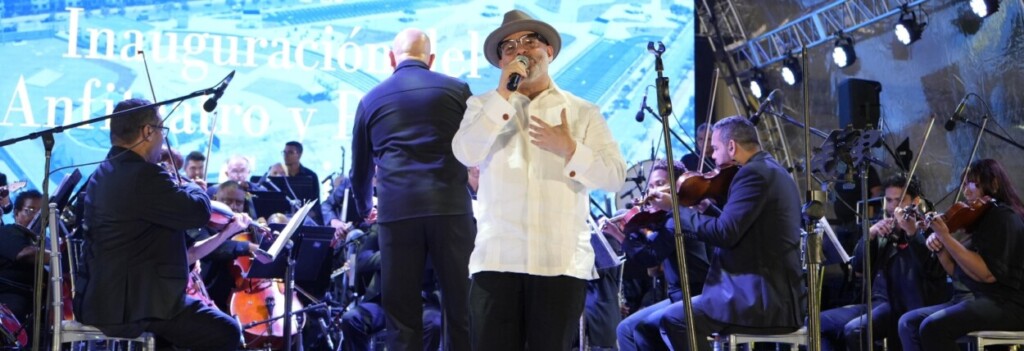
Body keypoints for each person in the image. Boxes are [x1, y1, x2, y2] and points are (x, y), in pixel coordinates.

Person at [452, 10, 626, 350]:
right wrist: (502, 99)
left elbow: (615, 176)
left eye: (529, 41)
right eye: (508, 47)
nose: (519, 50)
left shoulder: (582, 112)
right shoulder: (482, 105)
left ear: (549, 51)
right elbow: (465, 153)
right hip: (497, 261)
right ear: (501, 62)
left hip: (559, 262)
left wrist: (570, 148)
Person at [76, 98, 242, 350]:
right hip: (134, 305)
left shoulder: (106, 170)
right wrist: (190, 187)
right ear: (147, 132)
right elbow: (196, 213)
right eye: (162, 130)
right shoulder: (143, 175)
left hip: (106, 298)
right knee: (226, 331)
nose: (163, 139)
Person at [350, 28, 476, 350]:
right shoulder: (458, 90)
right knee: (460, 306)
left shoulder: (370, 99)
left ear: (391, 59)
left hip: (397, 213)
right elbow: (477, 148)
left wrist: (366, 209)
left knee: (402, 314)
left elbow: (361, 169)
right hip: (452, 209)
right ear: (431, 60)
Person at [653, 116, 803, 351]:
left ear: (732, 146)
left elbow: (725, 233)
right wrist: (707, 208)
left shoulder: (752, 175)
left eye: (715, 148)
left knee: (675, 320)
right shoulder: (772, 169)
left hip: (760, 299)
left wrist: (675, 208)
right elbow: (742, 226)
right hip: (769, 293)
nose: (712, 156)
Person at [897, 159, 1024, 351]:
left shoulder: (1003, 217)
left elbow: (987, 274)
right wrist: (940, 249)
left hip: (1007, 304)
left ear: (994, 184)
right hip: (981, 298)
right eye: (963, 184)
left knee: (933, 327)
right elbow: (957, 272)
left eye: (972, 183)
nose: (966, 191)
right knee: (908, 323)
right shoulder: (979, 221)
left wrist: (945, 237)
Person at [818, 174, 950, 351]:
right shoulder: (883, 231)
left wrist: (912, 234)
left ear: (915, 202)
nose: (893, 206)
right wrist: (870, 236)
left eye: (899, 200)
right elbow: (858, 269)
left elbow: (934, 270)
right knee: (818, 322)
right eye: (889, 200)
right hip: (876, 302)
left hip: (905, 304)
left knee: (854, 329)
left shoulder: (926, 229)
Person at [615, 159, 710, 351]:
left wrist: (622, 235)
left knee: (639, 329)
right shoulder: (666, 218)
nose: (652, 192)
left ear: (678, 185)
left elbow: (651, 255)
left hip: (697, 294)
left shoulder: (679, 217)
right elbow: (651, 263)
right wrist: (631, 229)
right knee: (626, 328)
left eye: (659, 184)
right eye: (650, 186)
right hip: (678, 296)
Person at [0, 190, 46, 327]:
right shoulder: (8, 231)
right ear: (16, 213)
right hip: (8, 301)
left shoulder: (43, 241)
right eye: (30, 210)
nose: (36, 217)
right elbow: (25, 253)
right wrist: (55, 255)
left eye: (41, 212)